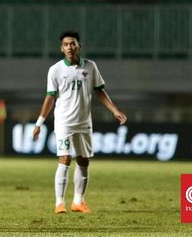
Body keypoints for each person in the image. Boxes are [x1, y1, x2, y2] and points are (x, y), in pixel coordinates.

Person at [32, 31, 126, 214]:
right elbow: (50, 97)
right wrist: (39, 122)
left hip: (84, 121)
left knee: (83, 160)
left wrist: (114, 110)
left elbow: (99, 91)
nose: (69, 47)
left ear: (79, 46)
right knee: (65, 158)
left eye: (72, 43)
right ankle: (59, 203)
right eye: (66, 44)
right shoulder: (55, 70)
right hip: (63, 121)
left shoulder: (90, 67)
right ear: (61, 48)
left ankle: (78, 201)